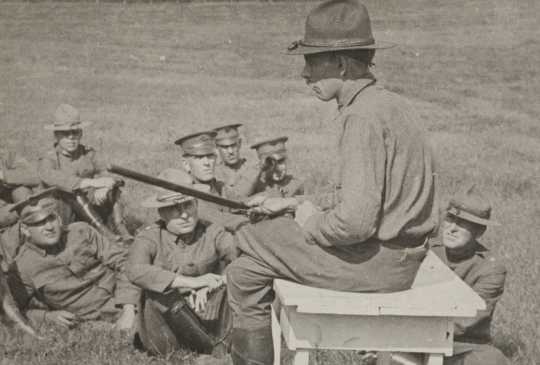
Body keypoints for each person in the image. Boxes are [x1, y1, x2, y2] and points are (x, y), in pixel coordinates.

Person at [225, 1, 439, 364]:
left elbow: (355, 222)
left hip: (377, 266)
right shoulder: (391, 104)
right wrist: (292, 203)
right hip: (403, 257)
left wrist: (309, 221)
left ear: (340, 63)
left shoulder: (361, 119)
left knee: (250, 236)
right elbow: (371, 196)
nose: (304, 75)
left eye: (311, 62)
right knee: (244, 271)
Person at [126, 169, 237, 357]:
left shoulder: (213, 231)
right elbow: (136, 270)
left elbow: (241, 259)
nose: (184, 215)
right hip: (166, 324)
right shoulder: (149, 237)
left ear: (196, 204)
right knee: (157, 293)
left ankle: (216, 349)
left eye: (188, 205)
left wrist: (216, 282)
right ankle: (194, 352)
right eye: (175, 209)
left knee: (233, 284)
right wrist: (192, 282)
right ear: (162, 212)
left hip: (207, 313)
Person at [6, 188, 138, 332]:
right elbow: (17, 311)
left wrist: (128, 308)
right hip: (95, 319)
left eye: (51, 218)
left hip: (129, 297)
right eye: (39, 223)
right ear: (25, 229)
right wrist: (47, 317)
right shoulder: (21, 267)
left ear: (59, 218)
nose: (49, 227)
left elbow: (124, 262)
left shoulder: (81, 231)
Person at [431, 187, 508, 365]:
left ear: (479, 231)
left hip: (463, 345)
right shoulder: (425, 253)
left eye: (462, 223)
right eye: (450, 219)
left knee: (491, 360)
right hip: (415, 340)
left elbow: (469, 318)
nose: (452, 228)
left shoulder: (491, 268)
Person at [37, 104, 130, 239]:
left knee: (114, 190)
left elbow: (108, 170)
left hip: (90, 206)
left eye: (75, 132)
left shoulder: (88, 153)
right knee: (73, 191)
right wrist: (91, 182)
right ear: (56, 136)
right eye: (65, 134)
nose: (71, 137)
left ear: (81, 133)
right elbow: (52, 177)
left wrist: (106, 186)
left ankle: (121, 229)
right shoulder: (49, 157)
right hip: (62, 212)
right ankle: (105, 233)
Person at [175, 130, 248, 229]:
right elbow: (218, 219)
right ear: (186, 164)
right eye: (199, 158)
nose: (206, 163)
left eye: (210, 156)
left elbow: (241, 201)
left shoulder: (219, 187)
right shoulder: (187, 195)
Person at [213, 124, 259, 200]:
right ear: (217, 147)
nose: (230, 151)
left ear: (239, 143)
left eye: (233, 145)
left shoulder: (252, 169)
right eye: (225, 147)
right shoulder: (214, 174)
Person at [0, 148, 40, 229]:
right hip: (5, 212)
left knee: (21, 189)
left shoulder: (6, 155)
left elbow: (35, 176)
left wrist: (3, 175)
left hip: (18, 204)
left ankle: (32, 221)